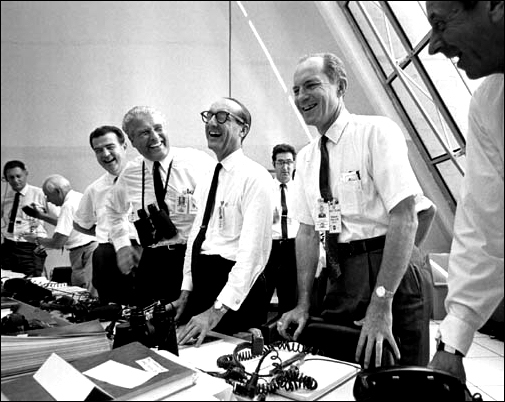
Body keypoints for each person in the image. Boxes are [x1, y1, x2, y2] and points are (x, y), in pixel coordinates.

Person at [277, 52, 433, 368]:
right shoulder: (306, 159)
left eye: (311, 85)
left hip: (387, 271)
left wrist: (382, 300)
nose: (301, 96)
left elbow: (406, 215)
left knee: (398, 373)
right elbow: (307, 232)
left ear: (340, 86)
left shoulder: (375, 133)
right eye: (295, 90)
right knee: (343, 368)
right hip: (339, 275)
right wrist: (303, 303)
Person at [425, 0, 504, 383]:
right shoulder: (490, 104)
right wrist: (453, 342)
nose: (433, 46)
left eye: (441, 24)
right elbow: (485, 226)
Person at [175, 97, 273, 346]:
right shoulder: (207, 176)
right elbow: (196, 237)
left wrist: (216, 310)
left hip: (236, 295)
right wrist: (187, 289)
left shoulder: (256, 177)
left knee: (231, 368)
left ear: (243, 129)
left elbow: (253, 255)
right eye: (208, 115)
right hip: (204, 285)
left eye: (222, 117)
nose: (212, 123)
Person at [106, 106, 214, 308]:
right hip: (153, 260)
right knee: (147, 321)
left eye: (158, 128)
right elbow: (113, 210)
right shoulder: (130, 173)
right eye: (144, 133)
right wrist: (121, 245)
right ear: (132, 141)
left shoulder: (197, 162)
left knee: (189, 325)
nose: (155, 137)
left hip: (192, 259)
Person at [73, 125, 138, 304]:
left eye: (110, 147)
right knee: (110, 309)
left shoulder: (143, 179)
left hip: (140, 251)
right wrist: (105, 234)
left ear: (124, 146)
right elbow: (80, 223)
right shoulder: (95, 189)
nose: (105, 154)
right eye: (99, 150)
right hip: (108, 255)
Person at [24, 174, 98, 292]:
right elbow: (68, 225)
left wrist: (36, 240)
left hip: (84, 254)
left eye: (48, 196)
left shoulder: (67, 206)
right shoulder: (79, 197)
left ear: (58, 191)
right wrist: (41, 216)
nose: (48, 200)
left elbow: (58, 242)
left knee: (82, 293)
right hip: (92, 250)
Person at [1, 160, 55, 276]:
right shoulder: (4, 198)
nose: (15, 180)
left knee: (31, 285)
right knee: (8, 284)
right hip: (8, 247)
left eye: (18, 176)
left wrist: (49, 242)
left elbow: (59, 220)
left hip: (29, 249)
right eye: (11, 177)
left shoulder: (40, 194)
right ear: (6, 179)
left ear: (26, 173)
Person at [263, 144, 299, 315]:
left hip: (293, 247)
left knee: (289, 298)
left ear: (294, 164)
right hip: (271, 248)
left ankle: (287, 339)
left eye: (289, 162)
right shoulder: (264, 190)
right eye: (280, 162)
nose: (285, 167)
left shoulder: (302, 190)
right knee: (263, 295)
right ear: (274, 164)